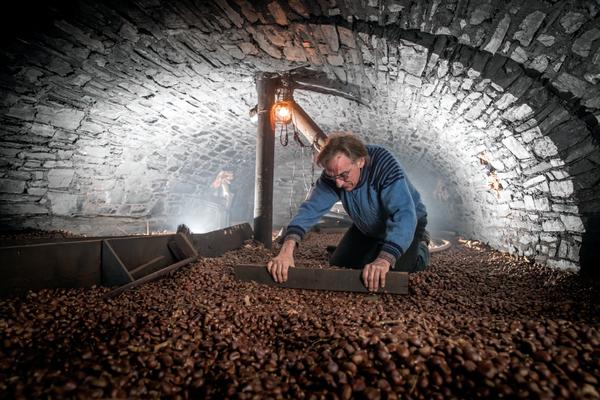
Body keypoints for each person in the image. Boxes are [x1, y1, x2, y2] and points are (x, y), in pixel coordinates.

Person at [267, 132, 428, 292]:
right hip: (367, 226)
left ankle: (421, 248)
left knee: (393, 275)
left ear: (360, 161)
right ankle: (378, 247)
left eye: (344, 175)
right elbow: (310, 208)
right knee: (340, 264)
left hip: (409, 223)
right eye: (333, 177)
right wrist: (287, 250)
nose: (338, 184)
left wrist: (384, 259)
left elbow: (403, 215)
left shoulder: (383, 164)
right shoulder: (334, 175)